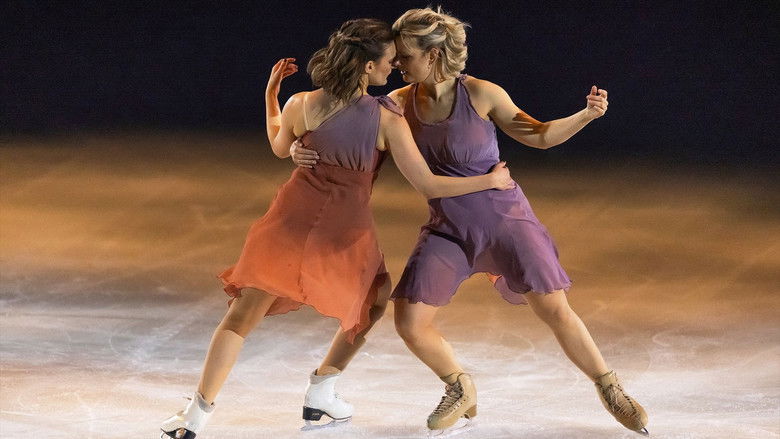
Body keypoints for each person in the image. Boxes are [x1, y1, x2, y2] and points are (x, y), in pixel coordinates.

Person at [291, 7, 649, 436]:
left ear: (434, 54)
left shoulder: (481, 94)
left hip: (506, 221)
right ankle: (460, 386)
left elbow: (539, 135)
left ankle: (608, 386)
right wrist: (298, 149)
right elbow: (346, 130)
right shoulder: (397, 105)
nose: (397, 64)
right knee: (409, 321)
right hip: (449, 229)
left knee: (554, 308)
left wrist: (586, 115)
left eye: (405, 56)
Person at [159, 18, 514, 439]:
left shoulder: (301, 104)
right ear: (366, 67)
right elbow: (428, 184)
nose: (394, 66)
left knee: (241, 317)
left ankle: (195, 418)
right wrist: (488, 181)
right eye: (387, 60)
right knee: (375, 300)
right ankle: (323, 388)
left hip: (289, 219)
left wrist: (273, 98)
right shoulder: (386, 118)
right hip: (344, 229)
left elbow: (278, 146)